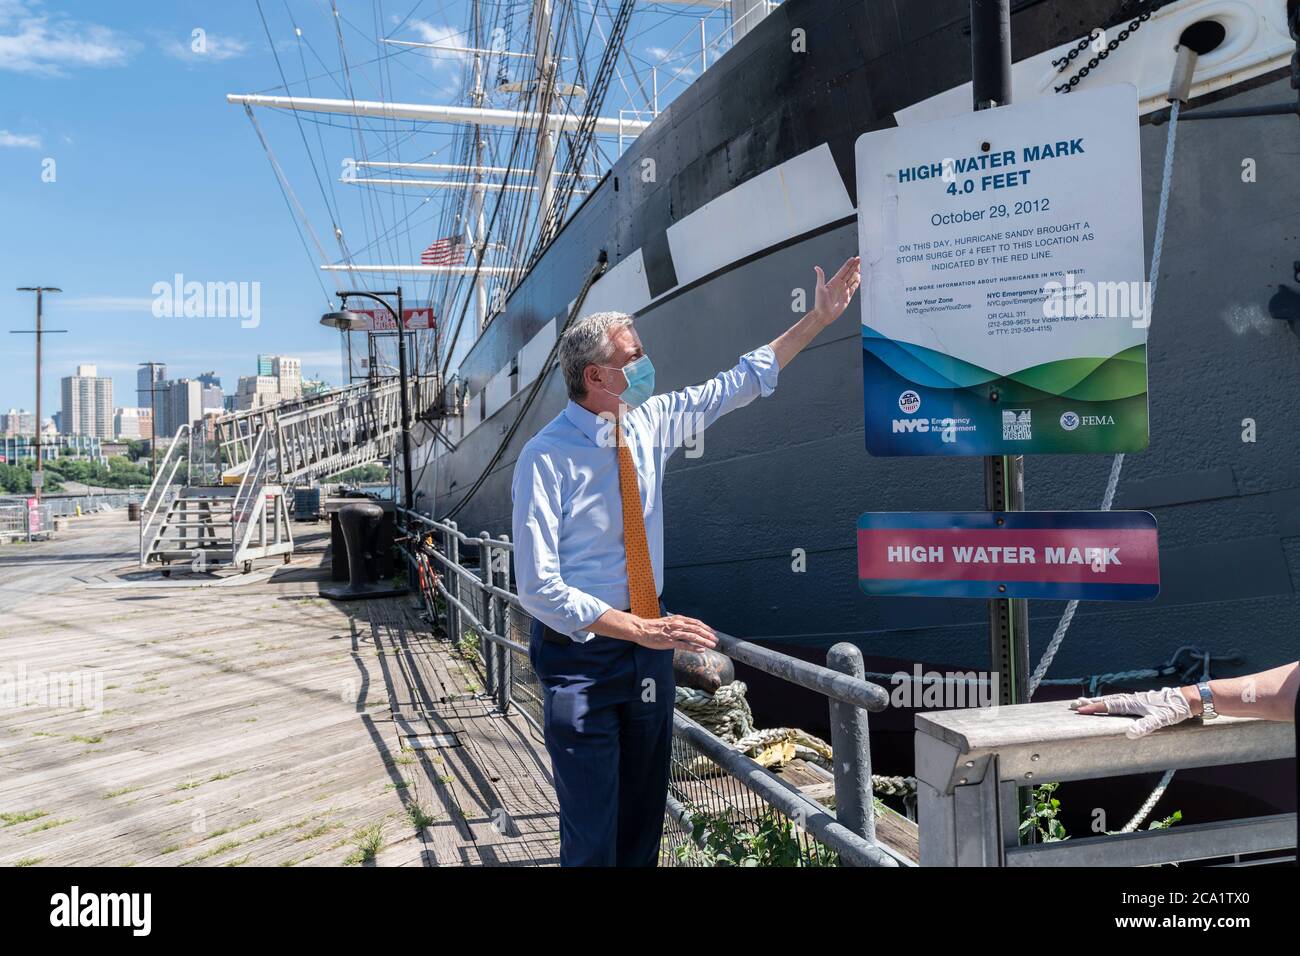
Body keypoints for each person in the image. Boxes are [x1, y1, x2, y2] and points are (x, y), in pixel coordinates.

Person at [511, 256, 861, 866]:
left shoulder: (650, 421)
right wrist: (641, 628)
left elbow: (740, 381)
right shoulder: (545, 459)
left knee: (643, 821)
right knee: (592, 835)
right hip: (581, 657)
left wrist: (819, 317)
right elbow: (537, 587)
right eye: (633, 358)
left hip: (648, 644)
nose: (646, 366)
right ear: (597, 375)